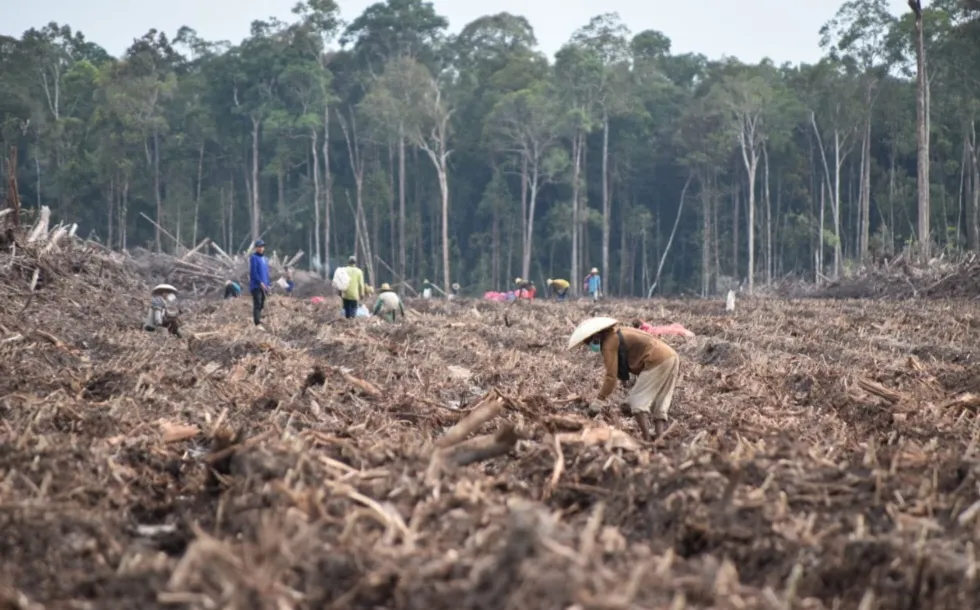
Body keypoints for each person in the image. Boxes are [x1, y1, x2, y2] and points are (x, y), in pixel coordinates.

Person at [568, 317, 679, 441]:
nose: (589, 345)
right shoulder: (618, 332)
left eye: (588, 341)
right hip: (671, 356)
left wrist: (599, 400)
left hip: (656, 360)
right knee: (659, 403)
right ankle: (660, 439)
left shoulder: (609, 343)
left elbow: (611, 375)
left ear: (595, 336)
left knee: (636, 402)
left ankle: (647, 439)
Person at [249, 239, 270, 328]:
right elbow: (253, 272)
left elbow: (266, 273)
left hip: (264, 285)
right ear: (256, 248)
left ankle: (258, 318)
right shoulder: (254, 258)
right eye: (259, 247)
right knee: (257, 302)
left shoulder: (265, 259)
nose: (261, 248)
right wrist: (259, 282)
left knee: (262, 303)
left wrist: (268, 284)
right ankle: (257, 323)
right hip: (256, 285)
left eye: (262, 247)